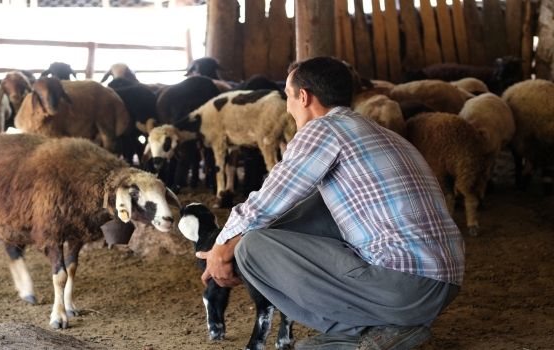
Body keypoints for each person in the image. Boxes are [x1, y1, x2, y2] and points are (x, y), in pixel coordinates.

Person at [195, 56, 465, 350]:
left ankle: (365, 335)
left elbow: (267, 202)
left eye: (287, 96)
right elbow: (286, 209)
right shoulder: (380, 132)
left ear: (303, 96)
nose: (287, 107)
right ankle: (388, 330)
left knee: (252, 247)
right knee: (311, 203)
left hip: (405, 285)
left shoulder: (323, 129)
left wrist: (222, 249)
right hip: (440, 283)